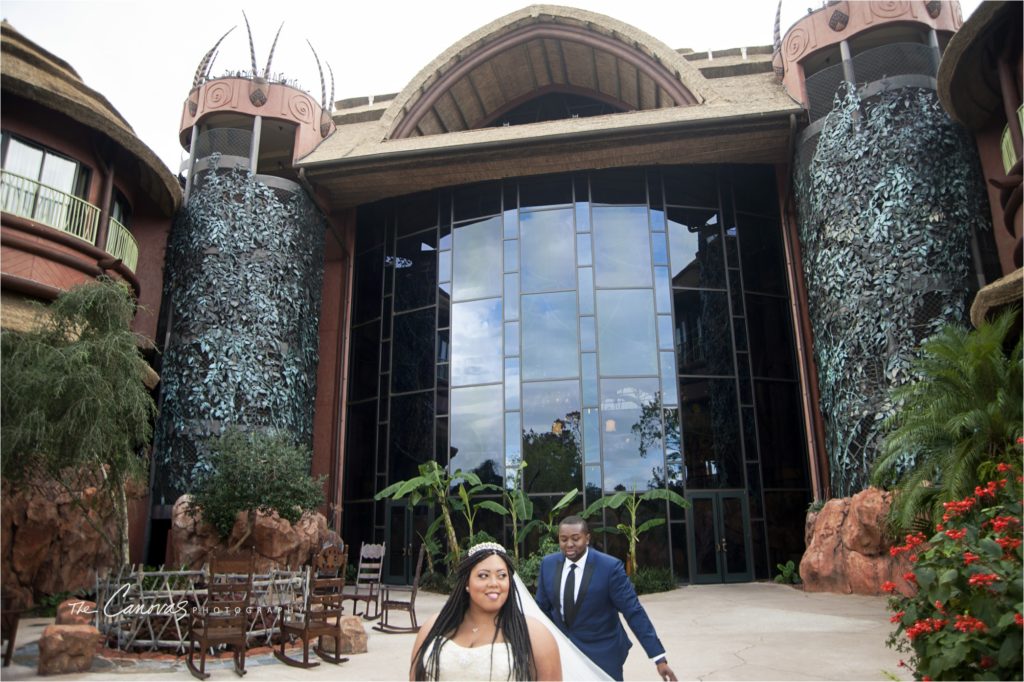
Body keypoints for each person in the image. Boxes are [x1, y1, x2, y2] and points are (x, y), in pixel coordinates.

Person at [535, 516, 679, 681]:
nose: (569, 544)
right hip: (563, 654)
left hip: (603, 653)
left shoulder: (610, 568)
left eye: (576, 539)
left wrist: (659, 658)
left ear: (587, 538)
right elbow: (541, 610)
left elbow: (633, 611)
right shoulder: (548, 564)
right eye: (563, 539)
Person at [410, 542, 562, 681]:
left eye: (502, 576)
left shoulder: (535, 634)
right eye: (483, 576)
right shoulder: (434, 625)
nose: (494, 583)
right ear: (466, 583)